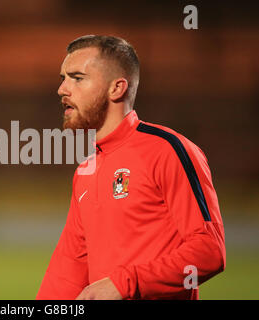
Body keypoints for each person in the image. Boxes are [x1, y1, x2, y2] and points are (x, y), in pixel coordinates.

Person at [36, 35, 226, 300]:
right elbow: (68, 271)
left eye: (77, 78)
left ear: (117, 88)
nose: (62, 89)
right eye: (63, 78)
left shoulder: (168, 150)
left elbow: (209, 251)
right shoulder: (85, 172)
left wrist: (123, 284)